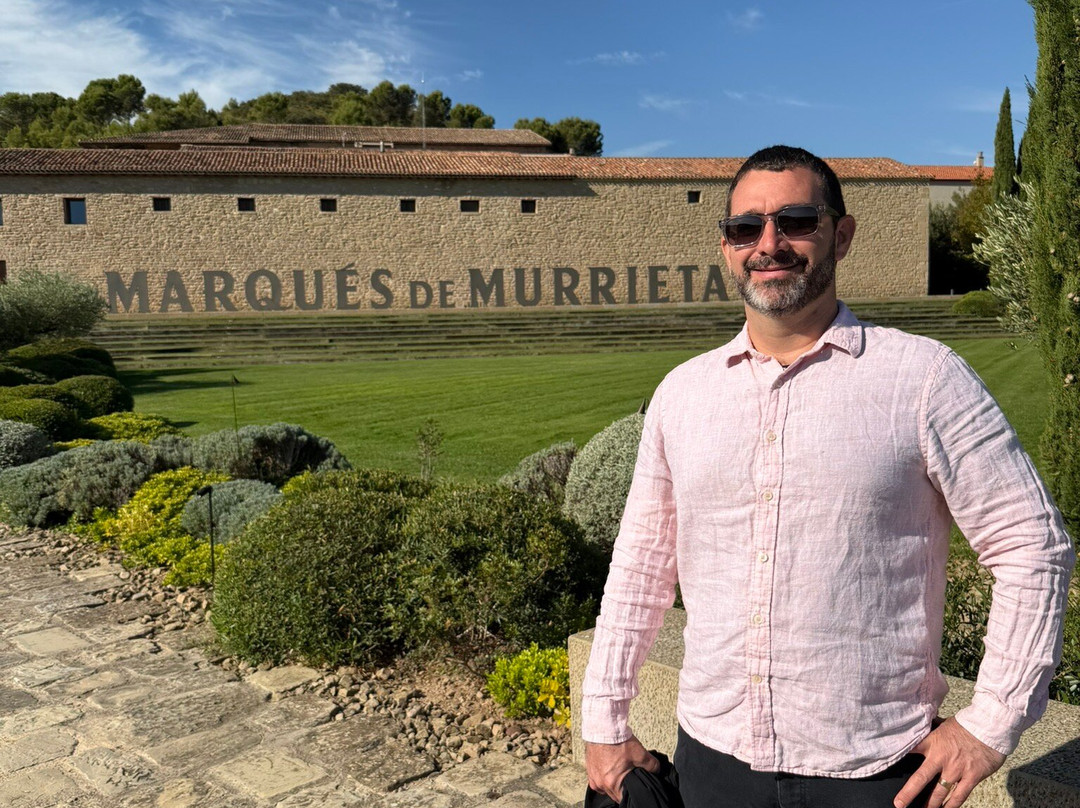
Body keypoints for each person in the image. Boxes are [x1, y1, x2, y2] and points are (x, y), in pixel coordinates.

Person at [580, 145, 1075, 808]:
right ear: (726, 248)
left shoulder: (923, 380)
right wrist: (604, 719)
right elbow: (641, 567)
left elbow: (1032, 546)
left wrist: (991, 722)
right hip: (712, 762)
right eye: (745, 228)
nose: (768, 244)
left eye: (796, 222)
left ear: (841, 236)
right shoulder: (682, 395)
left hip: (877, 773)